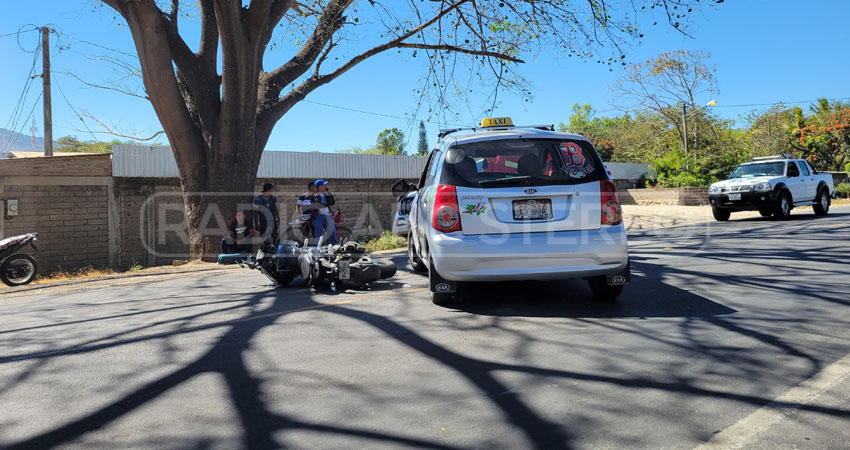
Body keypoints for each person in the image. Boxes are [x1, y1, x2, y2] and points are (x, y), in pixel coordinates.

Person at [311, 179, 338, 245]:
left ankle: (334, 246)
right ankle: (317, 248)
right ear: (320, 187)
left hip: (327, 215)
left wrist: (329, 194)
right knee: (318, 233)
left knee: (332, 231)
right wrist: (324, 203)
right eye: (324, 185)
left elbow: (332, 203)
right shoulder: (314, 195)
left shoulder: (326, 195)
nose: (325, 186)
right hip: (317, 216)